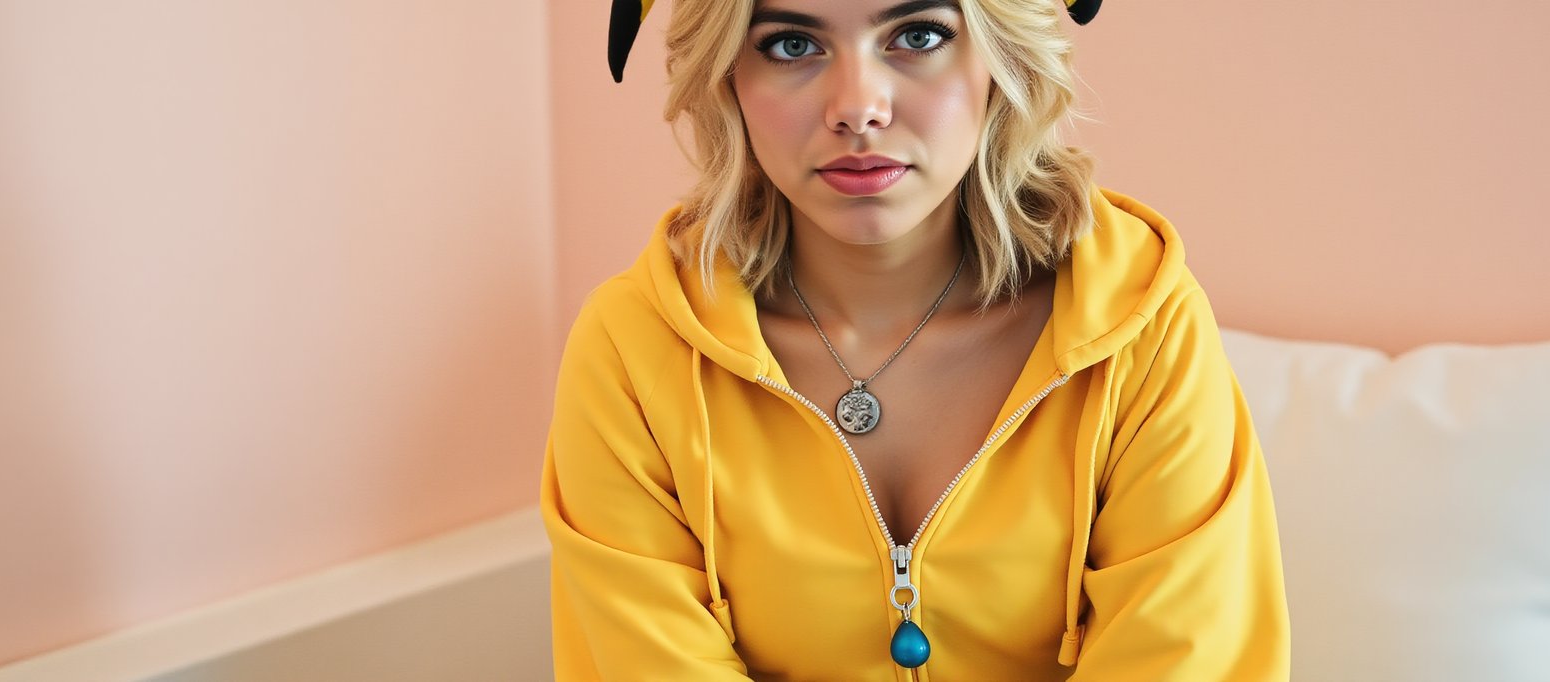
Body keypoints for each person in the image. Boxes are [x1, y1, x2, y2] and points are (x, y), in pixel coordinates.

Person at [541, 0, 1290, 678]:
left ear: (1000, 57)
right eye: (792, 44)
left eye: (918, 34)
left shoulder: (1141, 332)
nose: (858, 107)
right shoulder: (634, 352)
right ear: (727, 75)